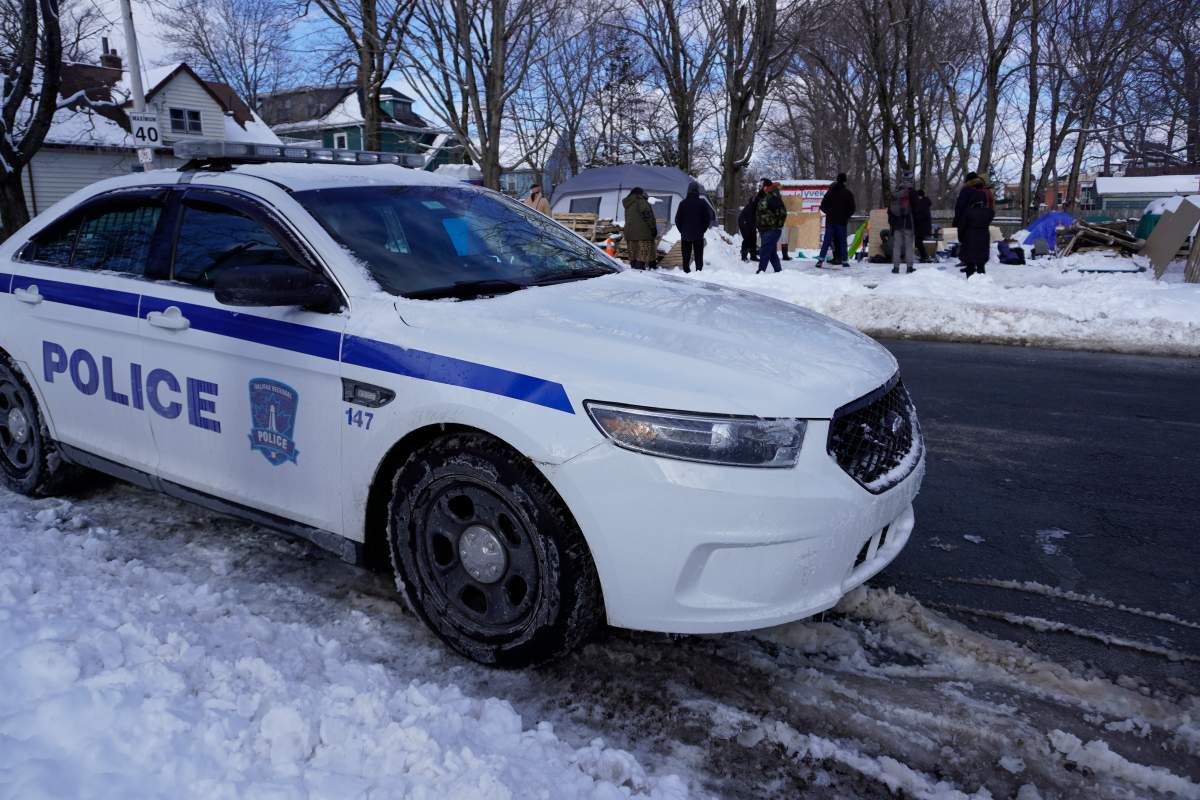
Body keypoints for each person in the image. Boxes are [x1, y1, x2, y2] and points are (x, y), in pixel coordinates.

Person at [675, 181, 716, 273]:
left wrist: (682, 230)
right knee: (698, 254)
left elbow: (677, 219)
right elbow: (707, 218)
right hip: (698, 234)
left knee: (686, 254)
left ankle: (686, 270)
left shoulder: (683, 203)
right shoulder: (702, 203)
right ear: (697, 190)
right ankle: (699, 271)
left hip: (685, 234)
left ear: (688, 190)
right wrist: (703, 229)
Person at [817, 172, 856, 267]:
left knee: (827, 241)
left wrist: (829, 213)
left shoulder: (830, 192)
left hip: (830, 220)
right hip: (842, 221)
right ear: (845, 181)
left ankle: (820, 260)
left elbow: (822, 206)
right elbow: (852, 208)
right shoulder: (847, 193)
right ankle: (845, 261)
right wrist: (846, 215)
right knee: (843, 242)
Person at [755, 181, 787, 273]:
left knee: (764, 251)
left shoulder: (773, 197)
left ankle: (761, 271)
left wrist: (777, 225)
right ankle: (778, 271)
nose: (760, 187)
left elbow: (783, 213)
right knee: (772, 252)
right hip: (764, 229)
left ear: (766, 187)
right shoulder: (764, 196)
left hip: (772, 229)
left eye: (762, 186)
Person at [622, 187, 657, 270]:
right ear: (640, 193)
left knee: (633, 253)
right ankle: (641, 270)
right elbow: (648, 216)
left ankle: (634, 269)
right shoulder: (641, 201)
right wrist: (653, 228)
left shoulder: (628, 203)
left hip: (630, 233)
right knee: (643, 253)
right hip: (643, 233)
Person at [888, 175, 917, 274]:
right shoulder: (912, 192)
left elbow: (890, 211)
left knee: (897, 246)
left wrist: (891, 223)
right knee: (909, 245)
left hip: (896, 224)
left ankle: (896, 268)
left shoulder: (895, 194)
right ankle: (909, 267)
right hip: (908, 223)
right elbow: (917, 207)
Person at [959, 197, 994, 277]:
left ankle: (970, 279)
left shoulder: (968, 212)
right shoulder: (989, 212)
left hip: (970, 237)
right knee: (981, 261)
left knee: (970, 261)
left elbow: (962, 227)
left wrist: (961, 238)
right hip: (984, 236)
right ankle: (981, 278)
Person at [913, 189, 933, 262]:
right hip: (923, 228)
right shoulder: (925, 202)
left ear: (919, 196)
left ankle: (924, 256)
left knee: (917, 241)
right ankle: (923, 256)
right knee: (917, 241)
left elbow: (920, 216)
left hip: (922, 228)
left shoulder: (922, 203)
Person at [738, 193, 760, 261]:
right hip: (744, 223)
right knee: (747, 239)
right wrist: (756, 227)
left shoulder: (756, 207)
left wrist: (758, 228)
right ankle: (744, 256)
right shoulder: (751, 207)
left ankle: (753, 256)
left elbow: (756, 219)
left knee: (753, 238)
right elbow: (750, 219)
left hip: (750, 223)